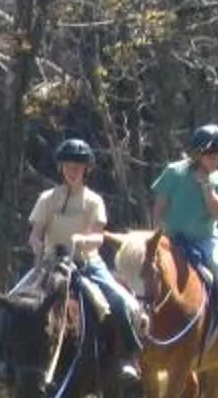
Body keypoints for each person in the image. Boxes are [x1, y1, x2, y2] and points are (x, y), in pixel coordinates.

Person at [9, 136, 143, 368]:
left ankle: (127, 357)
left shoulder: (94, 201)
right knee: (12, 301)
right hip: (50, 263)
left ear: (86, 170)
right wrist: (36, 244)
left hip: (86, 264)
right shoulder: (47, 199)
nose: (73, 171)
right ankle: (5, 358)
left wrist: (83, 240)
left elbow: (98, 237)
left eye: (78, 167)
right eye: (69, 166)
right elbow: (36, 233)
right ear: (61, 168)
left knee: (122, 302)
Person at [148, 123, 218, 345]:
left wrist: (206, 186)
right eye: (209, 154)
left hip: (205, 239)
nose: (214, 158)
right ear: (197, 153)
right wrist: (157, 235)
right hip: (170, 238)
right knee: (143, 273)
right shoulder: (174, 172)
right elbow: (159, 207)